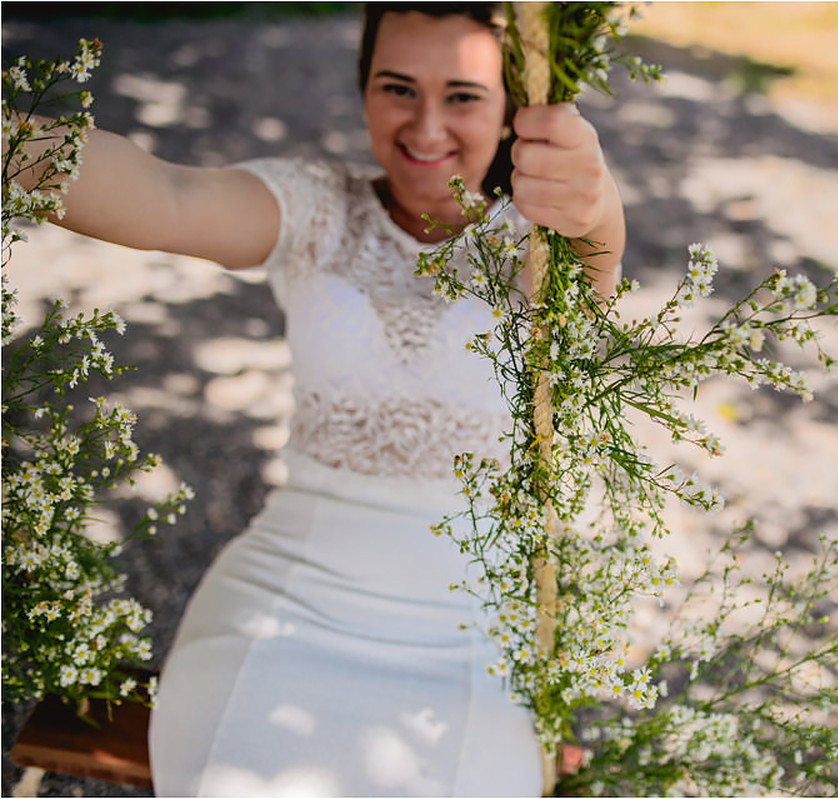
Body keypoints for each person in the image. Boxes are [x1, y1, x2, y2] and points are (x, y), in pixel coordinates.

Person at [13, 3, 625, 795]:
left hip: (469, 631)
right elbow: (162, 193)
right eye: (397, 87)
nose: (426, 126)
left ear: (514, 107)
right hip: (286, 600)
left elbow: (598, 245)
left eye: (464, 96)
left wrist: (593, 194)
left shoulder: (541, 246)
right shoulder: (315, 206)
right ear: (363, 87)